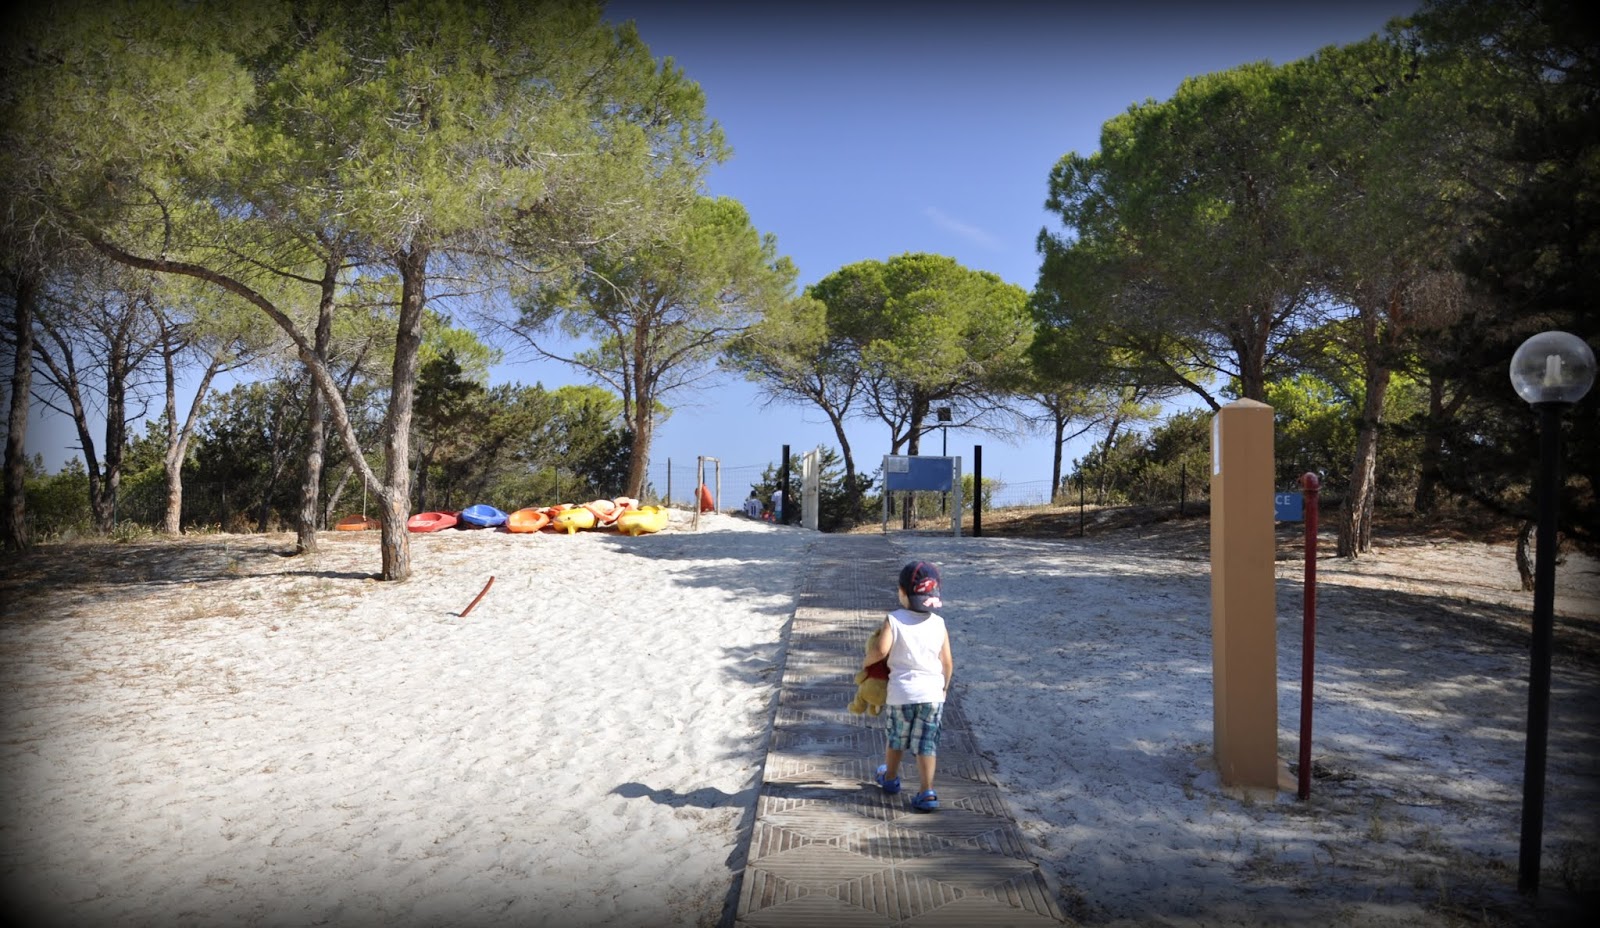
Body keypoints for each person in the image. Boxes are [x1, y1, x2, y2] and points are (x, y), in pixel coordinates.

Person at [864, 560, 953, 812]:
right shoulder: (938, 623)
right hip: (932, 696)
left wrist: (866, 662)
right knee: (926, 744)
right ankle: (927, 791)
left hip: (901, 694)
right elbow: (947, 662)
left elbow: (881, 650)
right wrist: (944, 688)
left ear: (902, 592)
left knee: (896, 739)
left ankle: (890, 778)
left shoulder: (894, 619)